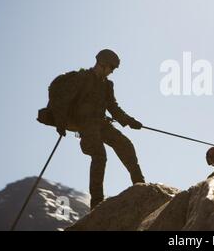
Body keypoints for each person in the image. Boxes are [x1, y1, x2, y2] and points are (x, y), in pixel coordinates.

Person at [44, 49, 145, 209]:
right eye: (111, 68)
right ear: (103, 64)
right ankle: (97, 202)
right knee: (99, 155)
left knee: (125, 145)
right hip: (86, 125)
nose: (112, 72)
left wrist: (131, 121)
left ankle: (140, 185)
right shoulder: (81, 78)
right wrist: (61, 123)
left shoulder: (107, 85)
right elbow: (63, 100)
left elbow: (113, 107)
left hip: (102, 124)